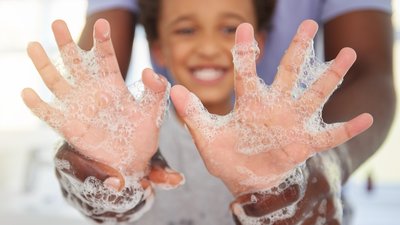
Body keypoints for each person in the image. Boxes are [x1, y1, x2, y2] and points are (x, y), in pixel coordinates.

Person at [20, 1, 395, 225]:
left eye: (231, 28)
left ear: (259, 43)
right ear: (158, 47)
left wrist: (319, 169)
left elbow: (370, 73)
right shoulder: (144, 141)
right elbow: (99, 86)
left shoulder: (278, 154)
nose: (208, 46)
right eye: (186, 30)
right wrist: (104, 170)